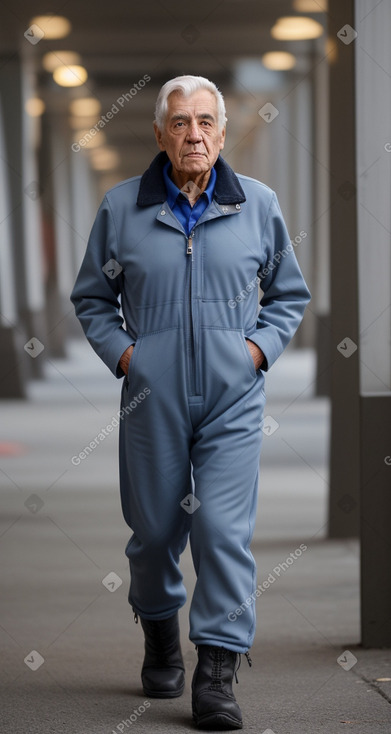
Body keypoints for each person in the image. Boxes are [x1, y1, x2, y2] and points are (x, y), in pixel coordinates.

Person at [71, 75, 311, 730]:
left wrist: (254, 353)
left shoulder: (258, 205)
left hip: (233, 399)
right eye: (180, 122)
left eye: (205, 121)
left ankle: (216, 669)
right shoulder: (122, 208)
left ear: (223, 132)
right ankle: (157, 633)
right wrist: (127, 356)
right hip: (151, 397)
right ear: (159, 133)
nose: (194, 134)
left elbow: (288, 295)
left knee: (220, 531)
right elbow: (92, 298)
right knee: (152, 535)